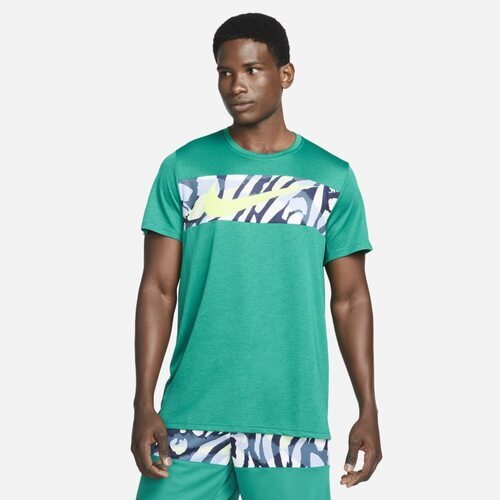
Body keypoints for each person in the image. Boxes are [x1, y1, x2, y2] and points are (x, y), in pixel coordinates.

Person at [131, 12, 382, 499]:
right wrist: (143, 403)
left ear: (285, 75)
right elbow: (157, 289)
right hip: (188, 421)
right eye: (225, 72)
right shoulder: (183, 168)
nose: (236, 86)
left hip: (291, 424)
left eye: (252, 70)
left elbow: (351, 298)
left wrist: (367, 408)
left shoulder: (331, 177)